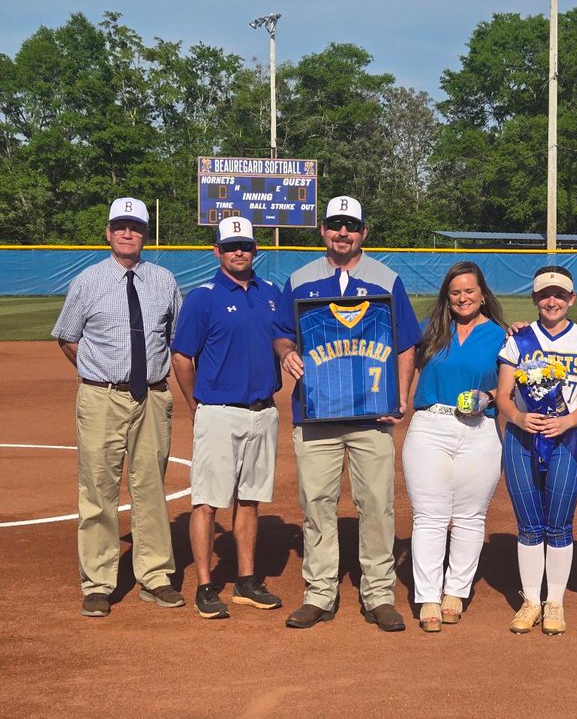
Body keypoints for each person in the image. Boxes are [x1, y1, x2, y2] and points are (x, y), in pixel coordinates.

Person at [274, 195, 420, 633]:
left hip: (371, 415)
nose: (343, 232)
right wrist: (287, 354)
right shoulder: (300, 280)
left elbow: (405, 343)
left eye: (350, 225)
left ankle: (378, 594)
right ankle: (320, 593)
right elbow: (283, 334)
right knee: (316, 503)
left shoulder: (386, 279)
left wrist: (401, 397)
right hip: (316, 412)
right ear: (323, 229)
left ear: (363, 232)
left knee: (376, 504)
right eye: (335, 224)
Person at [52, 197, 184, 616]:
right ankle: (98, 582)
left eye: (136, 226)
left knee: (151, 487)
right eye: (121, 226)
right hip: (101, 395)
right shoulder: (87, 281)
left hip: (153, 396)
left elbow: (176, 339)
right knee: (98, 490)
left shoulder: (164, 280)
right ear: (109, 232)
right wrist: (100, 372)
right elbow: (68, 338)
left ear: (146, 234)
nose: (128, 233)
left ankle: (156, 576)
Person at [171, 217, 283, 619]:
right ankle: (205, 584)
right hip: (218, 412)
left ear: (255, 250)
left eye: (246, 246)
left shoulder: (271, 293)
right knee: (207, 501)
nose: (240, 252)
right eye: (231, 245)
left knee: (250, 499)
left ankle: (246, 581)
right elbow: (182, 357)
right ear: (216, 251)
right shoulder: (202, 297)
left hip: (263, 411)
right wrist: (196, 405)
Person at [401, 261, 506, 632]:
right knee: (429, 516)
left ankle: (455, 592)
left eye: (470, 291)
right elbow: (397, 356)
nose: (463, 298)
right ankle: (428, 595)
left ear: (482, 295)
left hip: (480, 428)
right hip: (430, 426)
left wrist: (489, 396)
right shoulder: (430, 332)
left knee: (469, 516)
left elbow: (515, 384)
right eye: (456, 291)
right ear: (448, 296)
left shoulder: (501, 335)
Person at [496, 266, 577, 636]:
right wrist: (519, 419)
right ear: (535, 299)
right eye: (543, 295)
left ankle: (554, 601)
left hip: (566, 440)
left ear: (572, 299)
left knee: (559, 524)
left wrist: (567, 423)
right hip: (522, 439)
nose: (551, 301)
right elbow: (504, 397)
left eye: (559, 295)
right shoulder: (519, 339)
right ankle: (531, 601)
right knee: (528, 524)